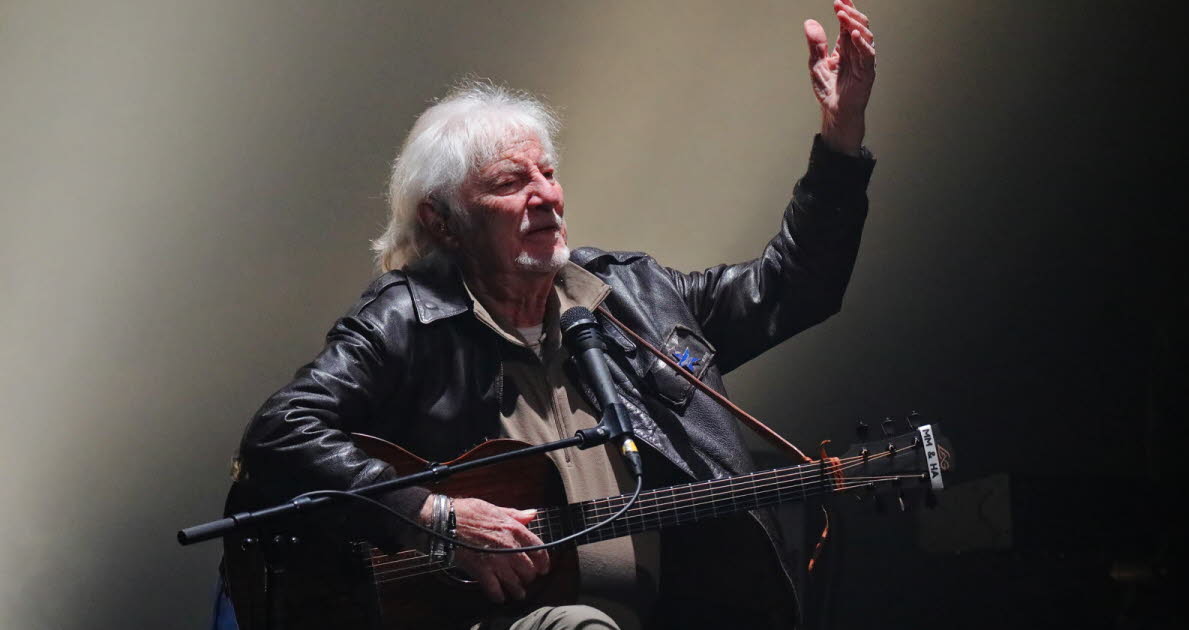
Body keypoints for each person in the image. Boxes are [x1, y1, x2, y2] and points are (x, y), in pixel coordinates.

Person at [225, 2, 876, 628]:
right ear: (443, 221)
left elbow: (794, 290)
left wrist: (841, 143)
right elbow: (280, 431)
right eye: (511, 183)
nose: (546, 197)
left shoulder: (633, 297)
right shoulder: (407, 319)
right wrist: (434, 517)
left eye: (549, 173)